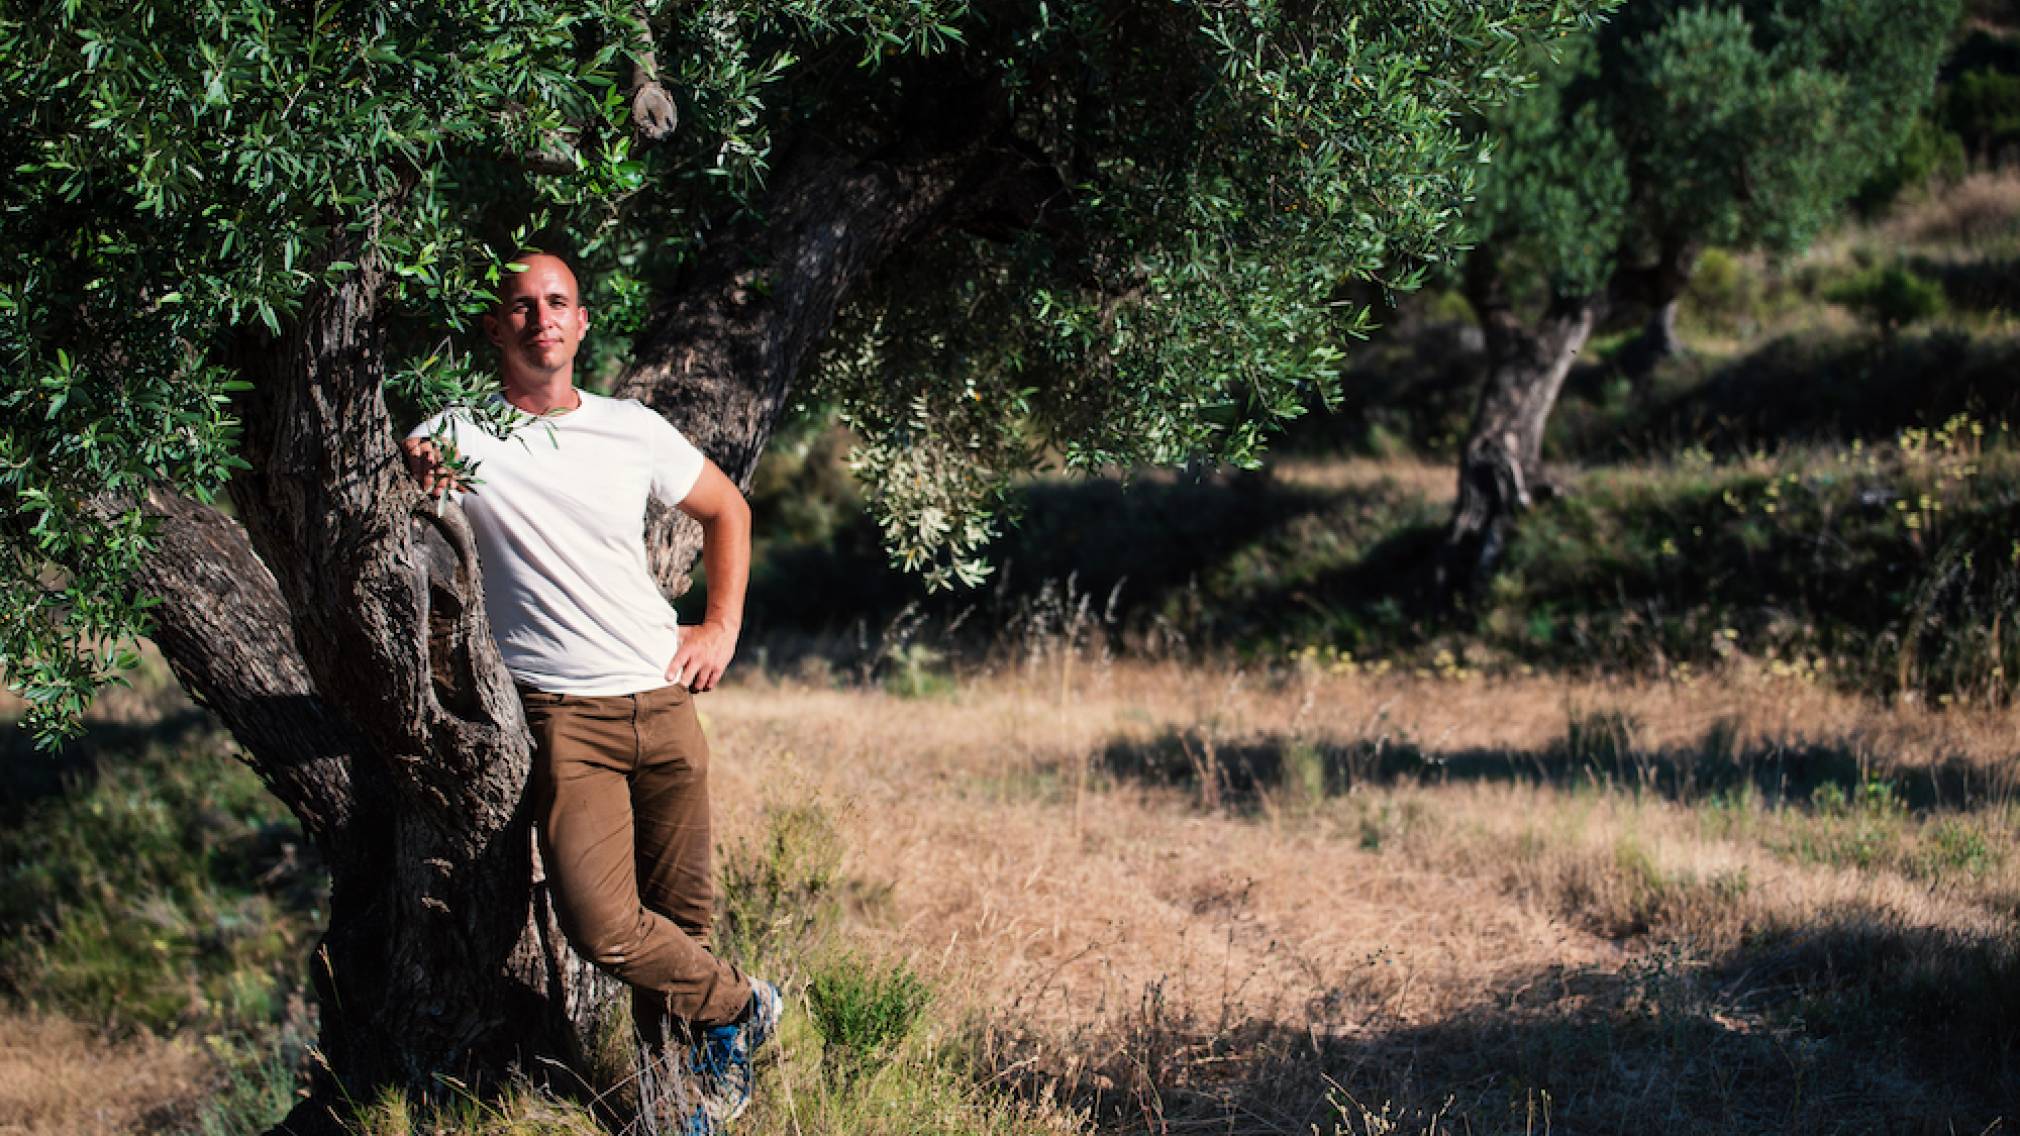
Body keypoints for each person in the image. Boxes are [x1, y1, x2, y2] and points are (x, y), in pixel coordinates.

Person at [401, 251, 779, 1131]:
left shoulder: (630, 427)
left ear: (580, 322)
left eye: (557, 302)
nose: (541, 318)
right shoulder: (457, 433)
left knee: (680, 927)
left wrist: (720, 627)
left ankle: (676, 1113)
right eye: (522, 305)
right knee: (604, 925)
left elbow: (728, 509)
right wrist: (411, 474)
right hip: (566, 717)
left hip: (665, 700)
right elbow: (406, 501)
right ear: (495, 326)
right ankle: (744, 1005)